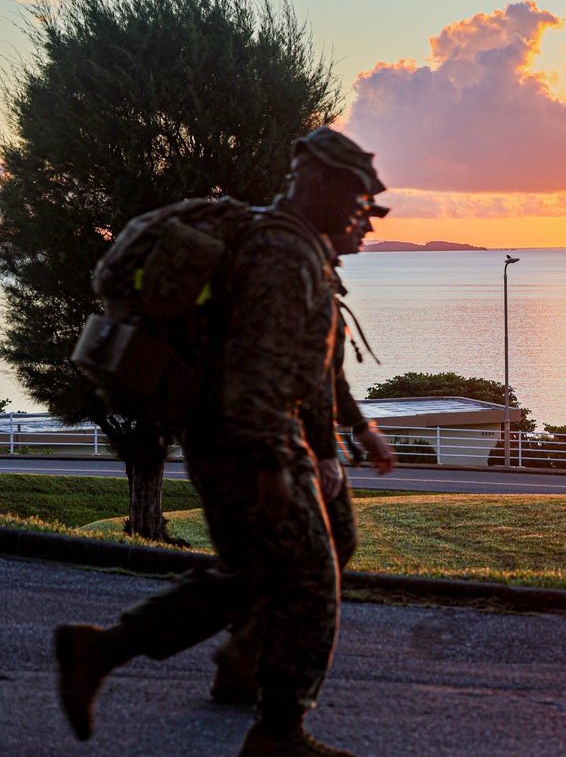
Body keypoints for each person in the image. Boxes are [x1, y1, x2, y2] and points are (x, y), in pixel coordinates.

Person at [55, 127, 391, 757]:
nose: (364, 216)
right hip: (249, 442)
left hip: (248, 436)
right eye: (358, 199)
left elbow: (311, 367)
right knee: (310, 578)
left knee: (256, 571)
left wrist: (346, 434)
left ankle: (105, 651)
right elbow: (256, 374)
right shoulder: (280, 255)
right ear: (319, 181)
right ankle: (279, 731)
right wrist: (272, 463)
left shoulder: (296, 250)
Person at [209, 170, 398, 707]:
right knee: (307, 569)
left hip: (281, 441)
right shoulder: (285, 263)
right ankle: (277, 710)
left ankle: (244, 663)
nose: (366, 227)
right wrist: (320, 453)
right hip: (266, 442)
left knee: (316, 555)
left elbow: (325, 374)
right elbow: (279, 375)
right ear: (331, 206)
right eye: (360, 213)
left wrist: (362, 429)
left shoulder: (314, 266)